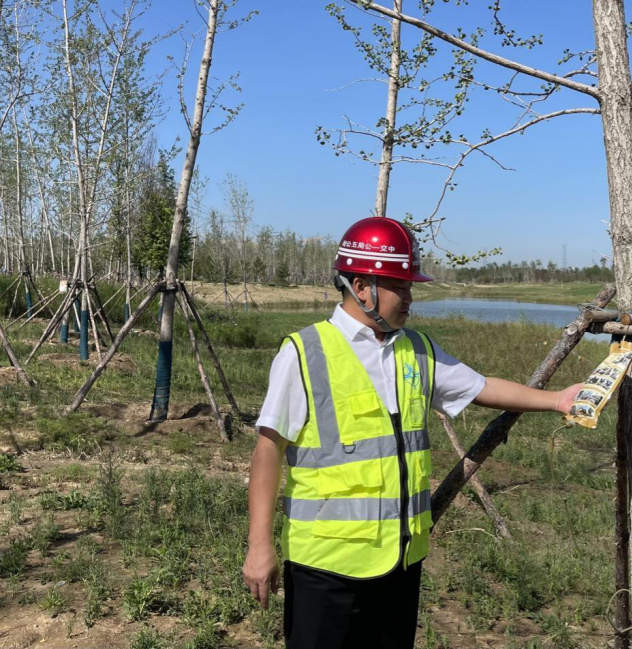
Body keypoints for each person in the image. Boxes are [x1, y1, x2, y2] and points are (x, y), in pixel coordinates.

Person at [243, 216, 584, 649]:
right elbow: (268, 450)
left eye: (410, 287)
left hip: (400, 562)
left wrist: (557, 399)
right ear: (361, 287)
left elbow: (482, 387)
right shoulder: (304, 353)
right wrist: (259, 545)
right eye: (399, 287)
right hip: (325, 567)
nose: (409, 298)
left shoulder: (416, 349)